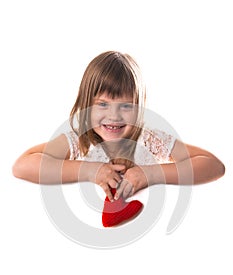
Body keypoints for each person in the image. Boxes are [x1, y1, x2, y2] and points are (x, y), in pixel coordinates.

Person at [12, 51, 225, 226]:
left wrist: (152, 174)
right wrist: (88, 170)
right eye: (103, 104)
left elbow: (213, 165)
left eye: (126, 106)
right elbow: (22, 166)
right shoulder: (81, 139)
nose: (114, 116)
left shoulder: (148, 138)